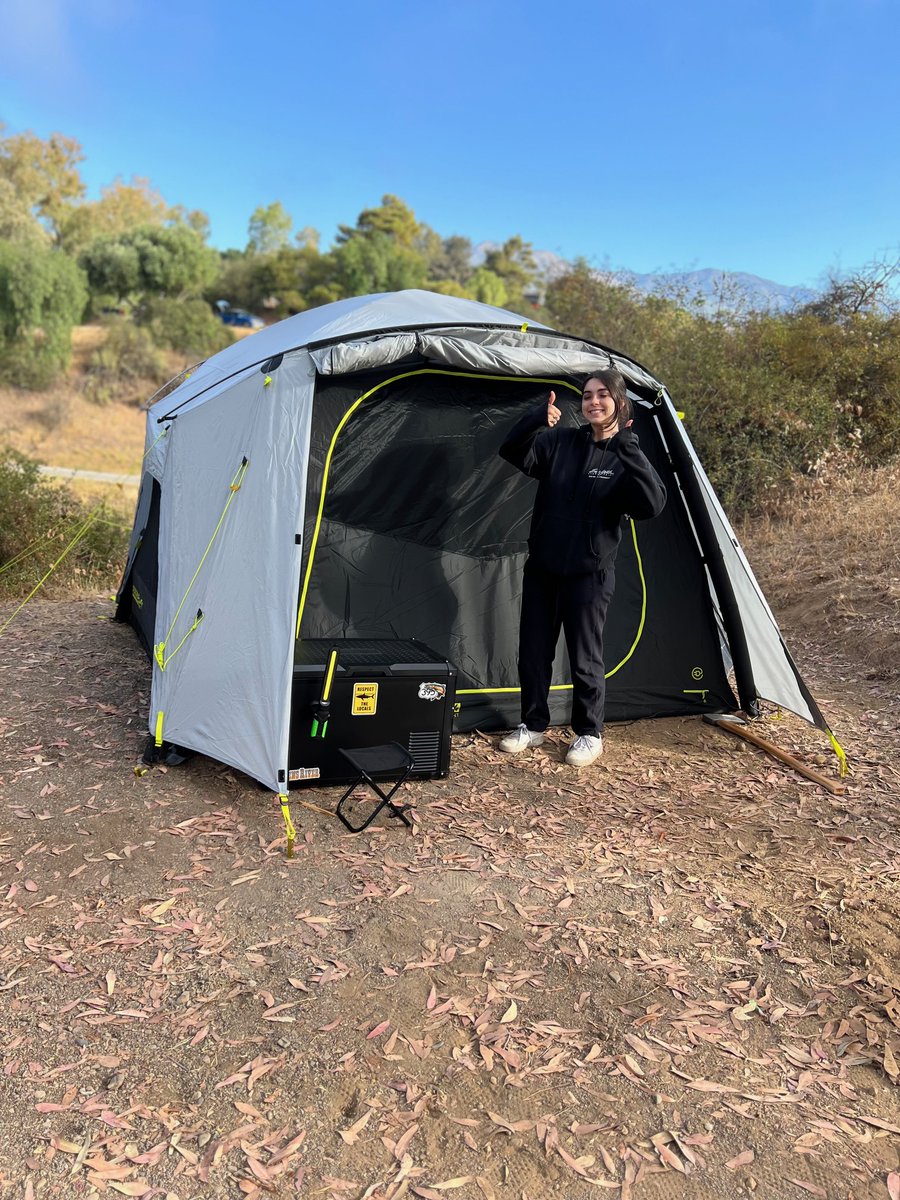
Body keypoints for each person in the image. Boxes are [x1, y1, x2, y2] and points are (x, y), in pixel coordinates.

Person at [497, 370, 667, 766]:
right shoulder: (561, 442)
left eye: (602, 395)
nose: (593, 401)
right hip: (542, 569)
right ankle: (533, 724)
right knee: (533, 652)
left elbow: (652, 505)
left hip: (589, 574)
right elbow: (512, 450)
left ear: (619, 403)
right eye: (587, 395)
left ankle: (589, 733)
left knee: (584, 656)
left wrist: (629, 448)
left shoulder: (626, 455)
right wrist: (536, 419)